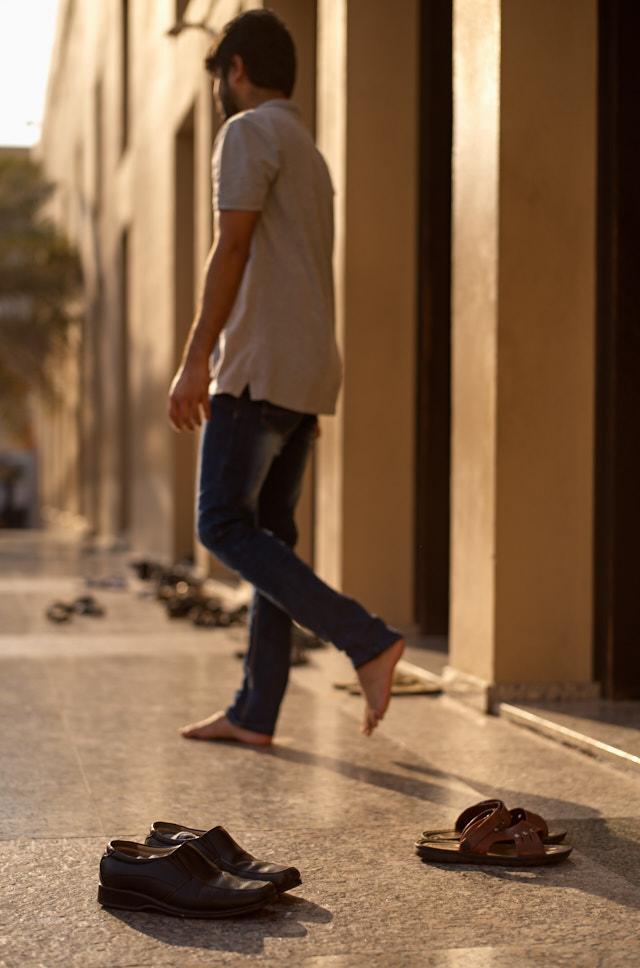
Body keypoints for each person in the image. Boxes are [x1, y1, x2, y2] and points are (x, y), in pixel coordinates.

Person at [168, 9, 404, 744]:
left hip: (258, 366)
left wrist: (196, 356)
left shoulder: (247, 133)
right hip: (305, 372)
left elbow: (229, 249)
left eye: (220, 76)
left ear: (235, 68)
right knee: (270, 533)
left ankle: (364, 637)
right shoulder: (309, 150)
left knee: (221, 523)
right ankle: (255, 712)